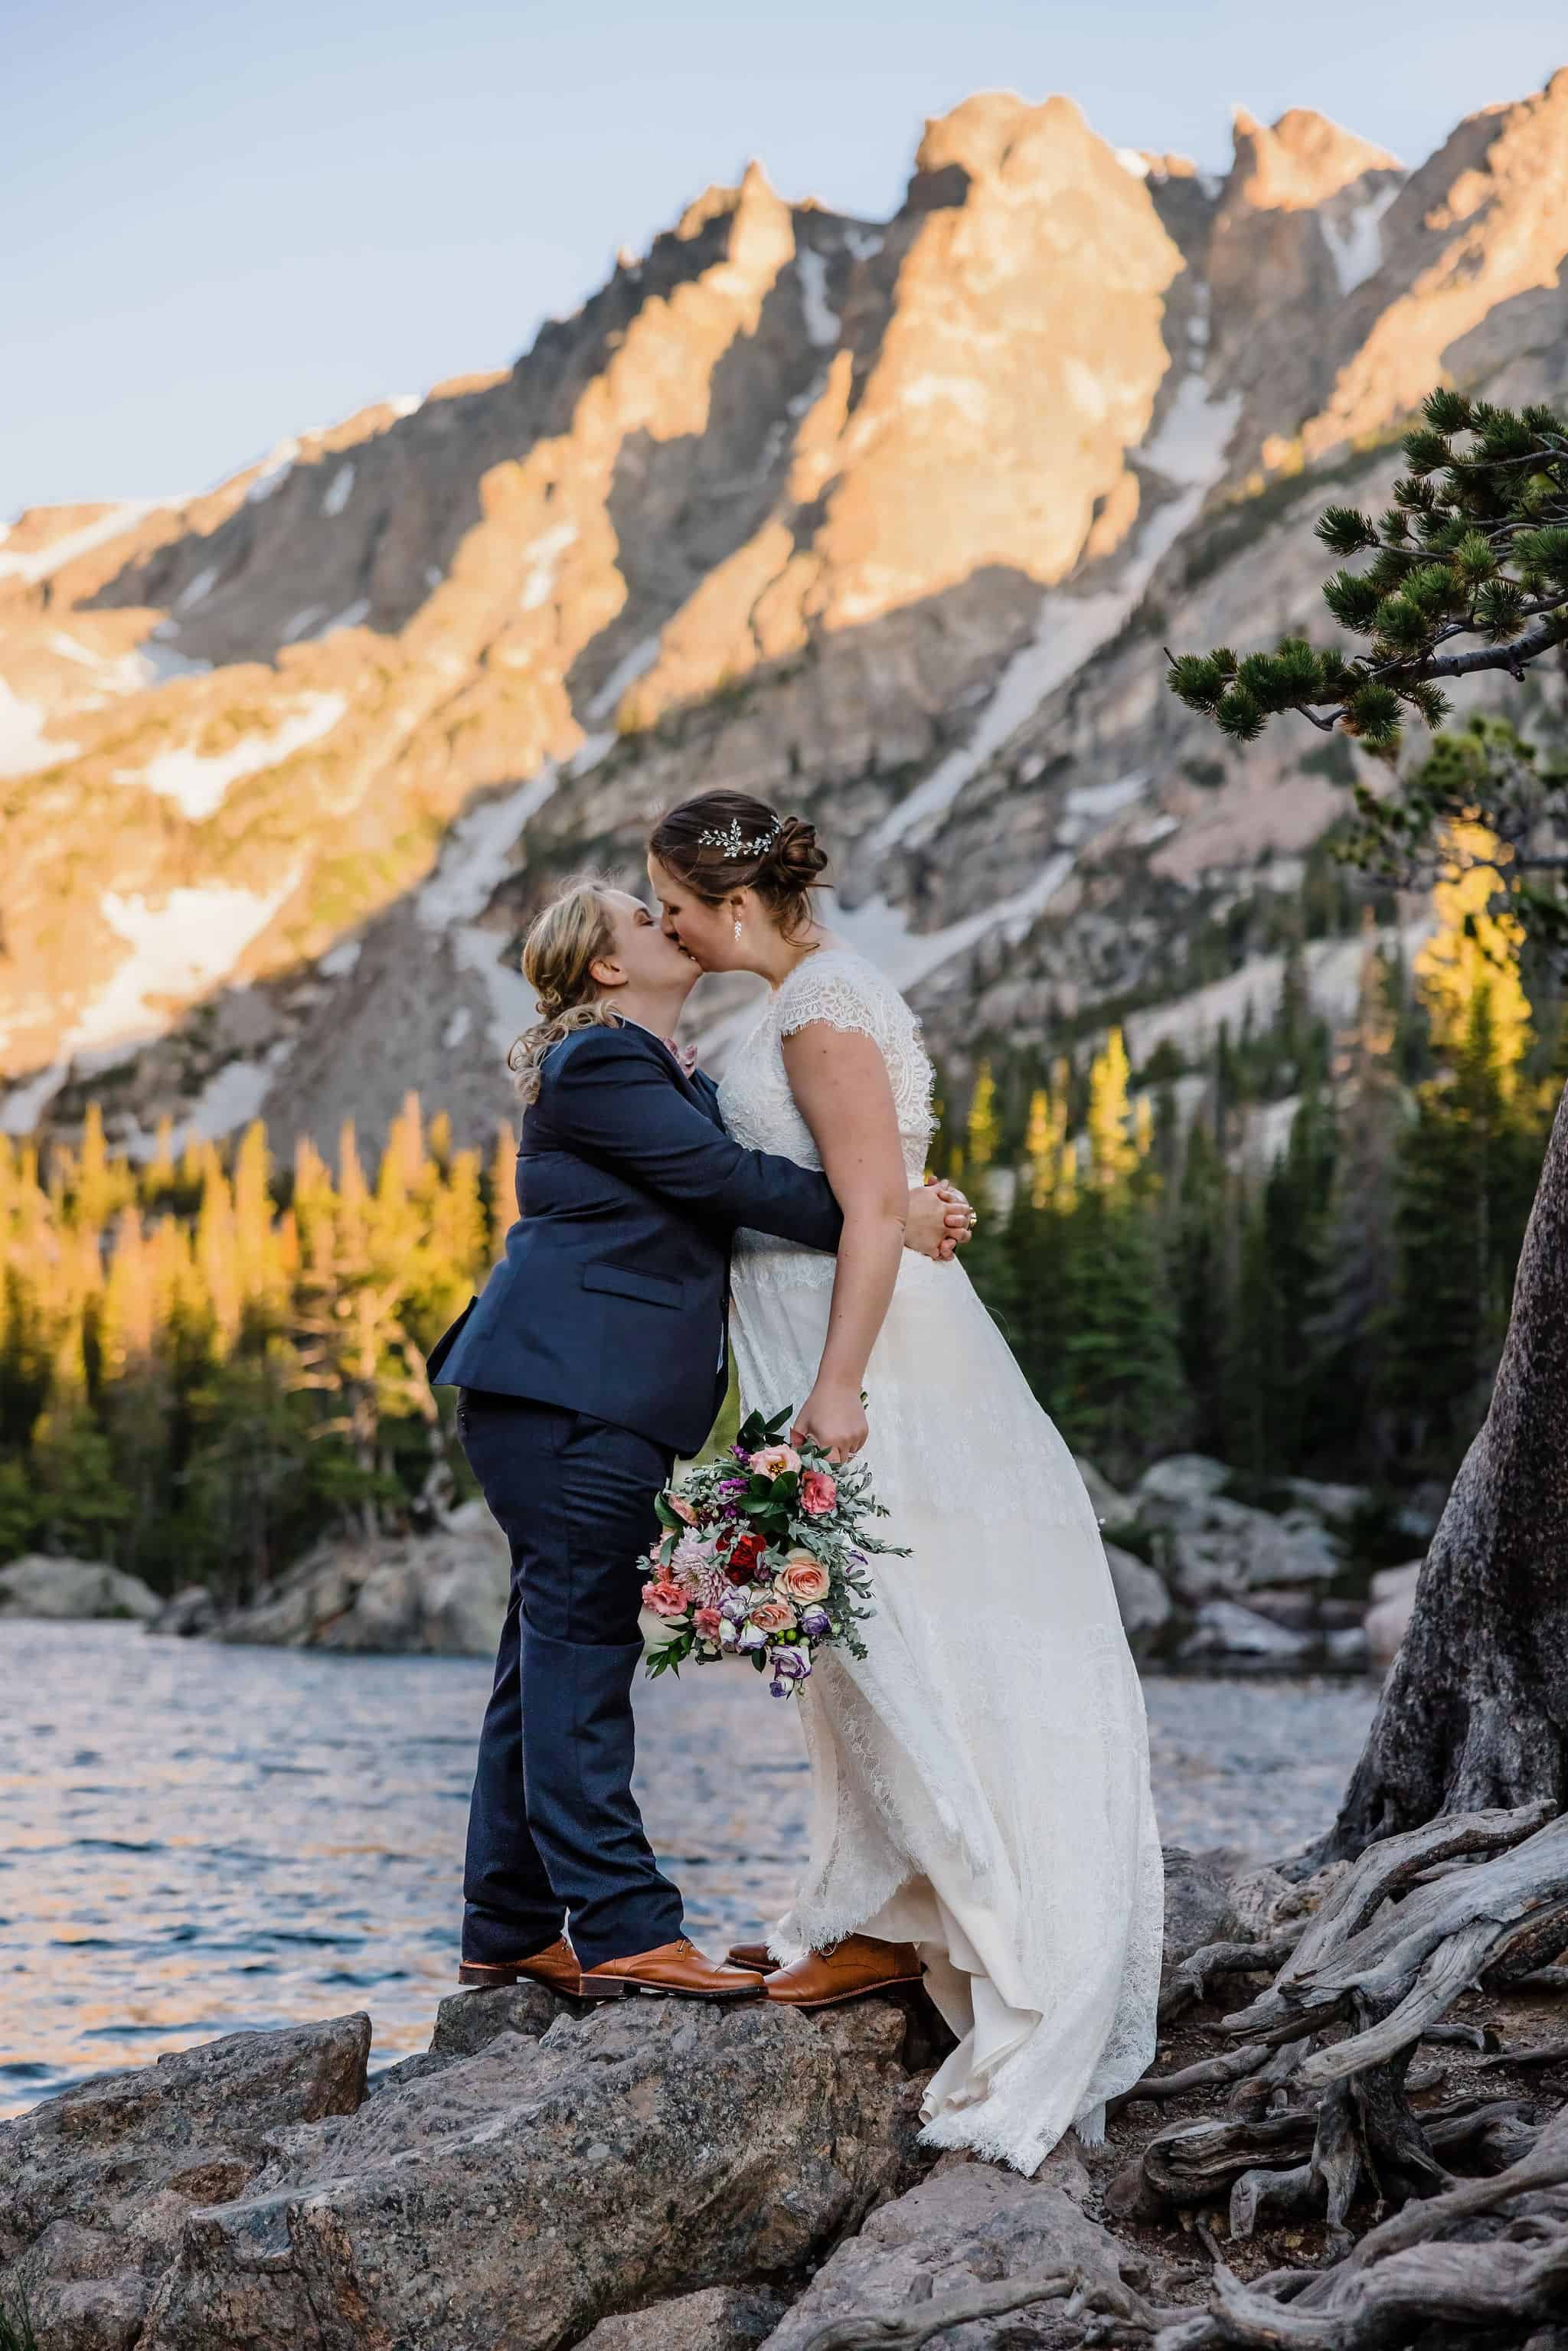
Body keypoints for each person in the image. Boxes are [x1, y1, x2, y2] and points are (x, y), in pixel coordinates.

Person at [645, 792, 1162, 2172]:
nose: (670, 931)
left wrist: (836, 1387)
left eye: (677, 907)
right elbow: (880, 1192)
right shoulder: (820, 990)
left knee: (892, 1635)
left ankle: (951, 1918)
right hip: (841, 1333)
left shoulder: (819, 1009)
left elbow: (875, 1205)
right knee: (861, 1644)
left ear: (736, 905)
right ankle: (881, 1902)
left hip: (860, 1357)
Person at [423, 879, 971, 2003]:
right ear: (607, 967)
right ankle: (626, 1926)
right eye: (641, 918)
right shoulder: (603, 1063)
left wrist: (888, 1198)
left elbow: (720, 1171)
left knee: (544, 1657)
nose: (667, 924)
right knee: (580, 1656)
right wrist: (886, 1214)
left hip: (574, 1393)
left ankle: (511, 1927)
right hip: (569, 1393)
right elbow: (722, 1181)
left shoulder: (662, 1071)